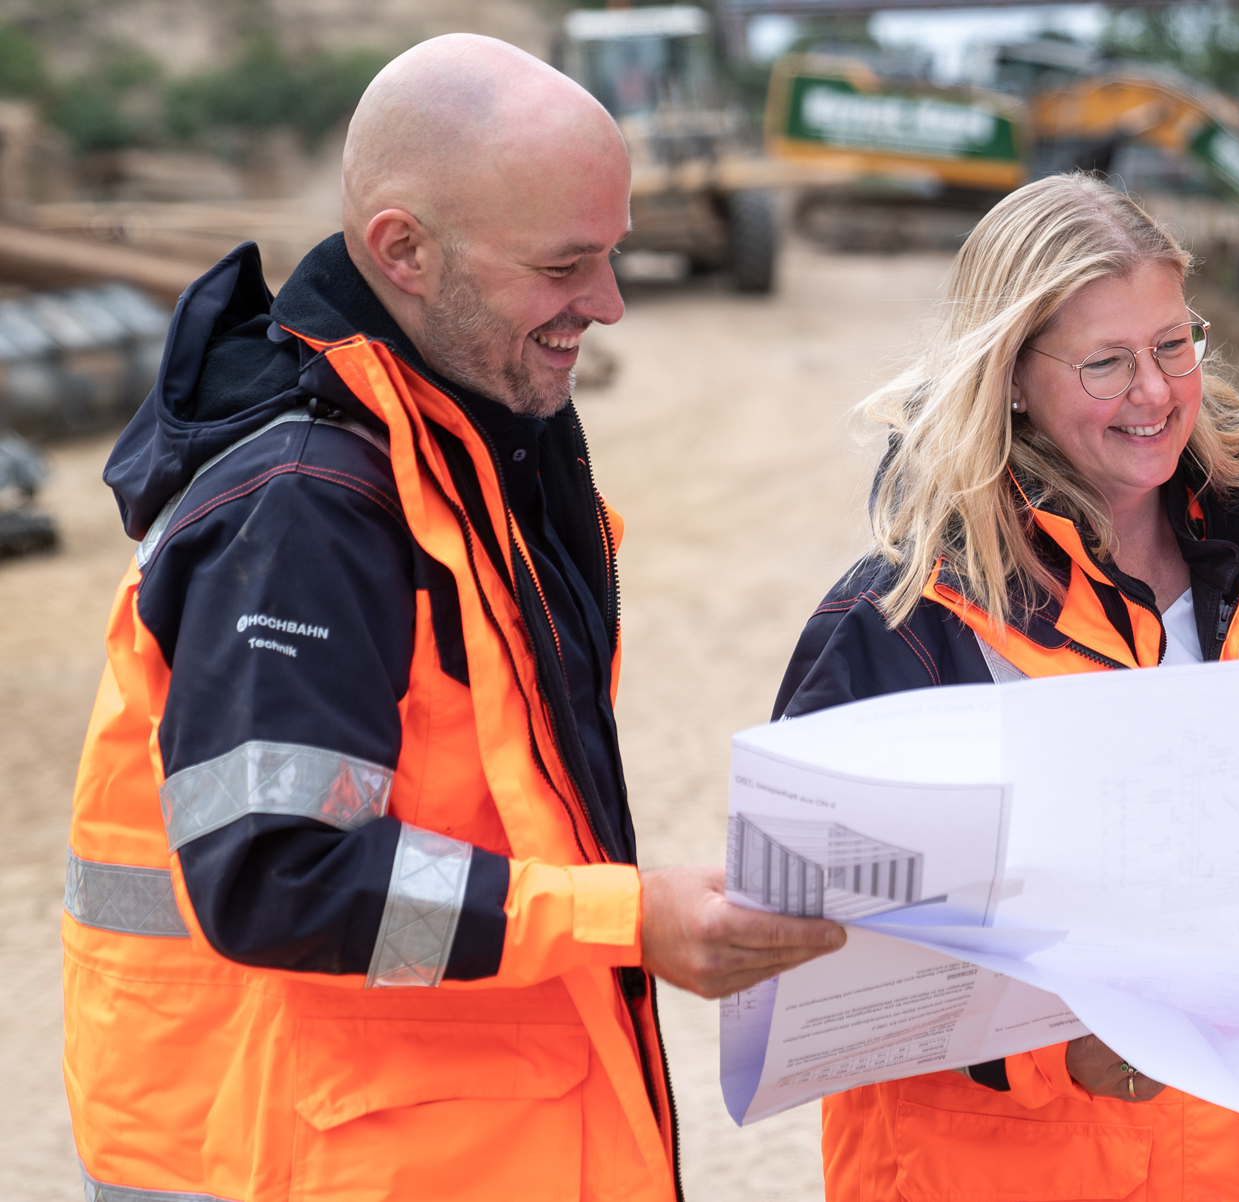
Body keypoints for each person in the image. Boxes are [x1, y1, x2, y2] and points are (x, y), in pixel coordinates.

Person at [62, 35, 844, 1201]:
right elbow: (280, 876)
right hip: (293, 1159)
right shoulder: (304, 513)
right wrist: (626, 916)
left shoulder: (466, 449)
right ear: (404, 251)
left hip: (434, 1143)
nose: (610, 303)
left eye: (614, 253)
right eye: (566, 264)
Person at [775, 173, 1239, 1202]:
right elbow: (813, 954)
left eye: (1171, 345)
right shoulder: (902, 622)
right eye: (1104, 363)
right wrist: (1053, 1044)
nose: (1152, 393)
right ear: (1008, 375)